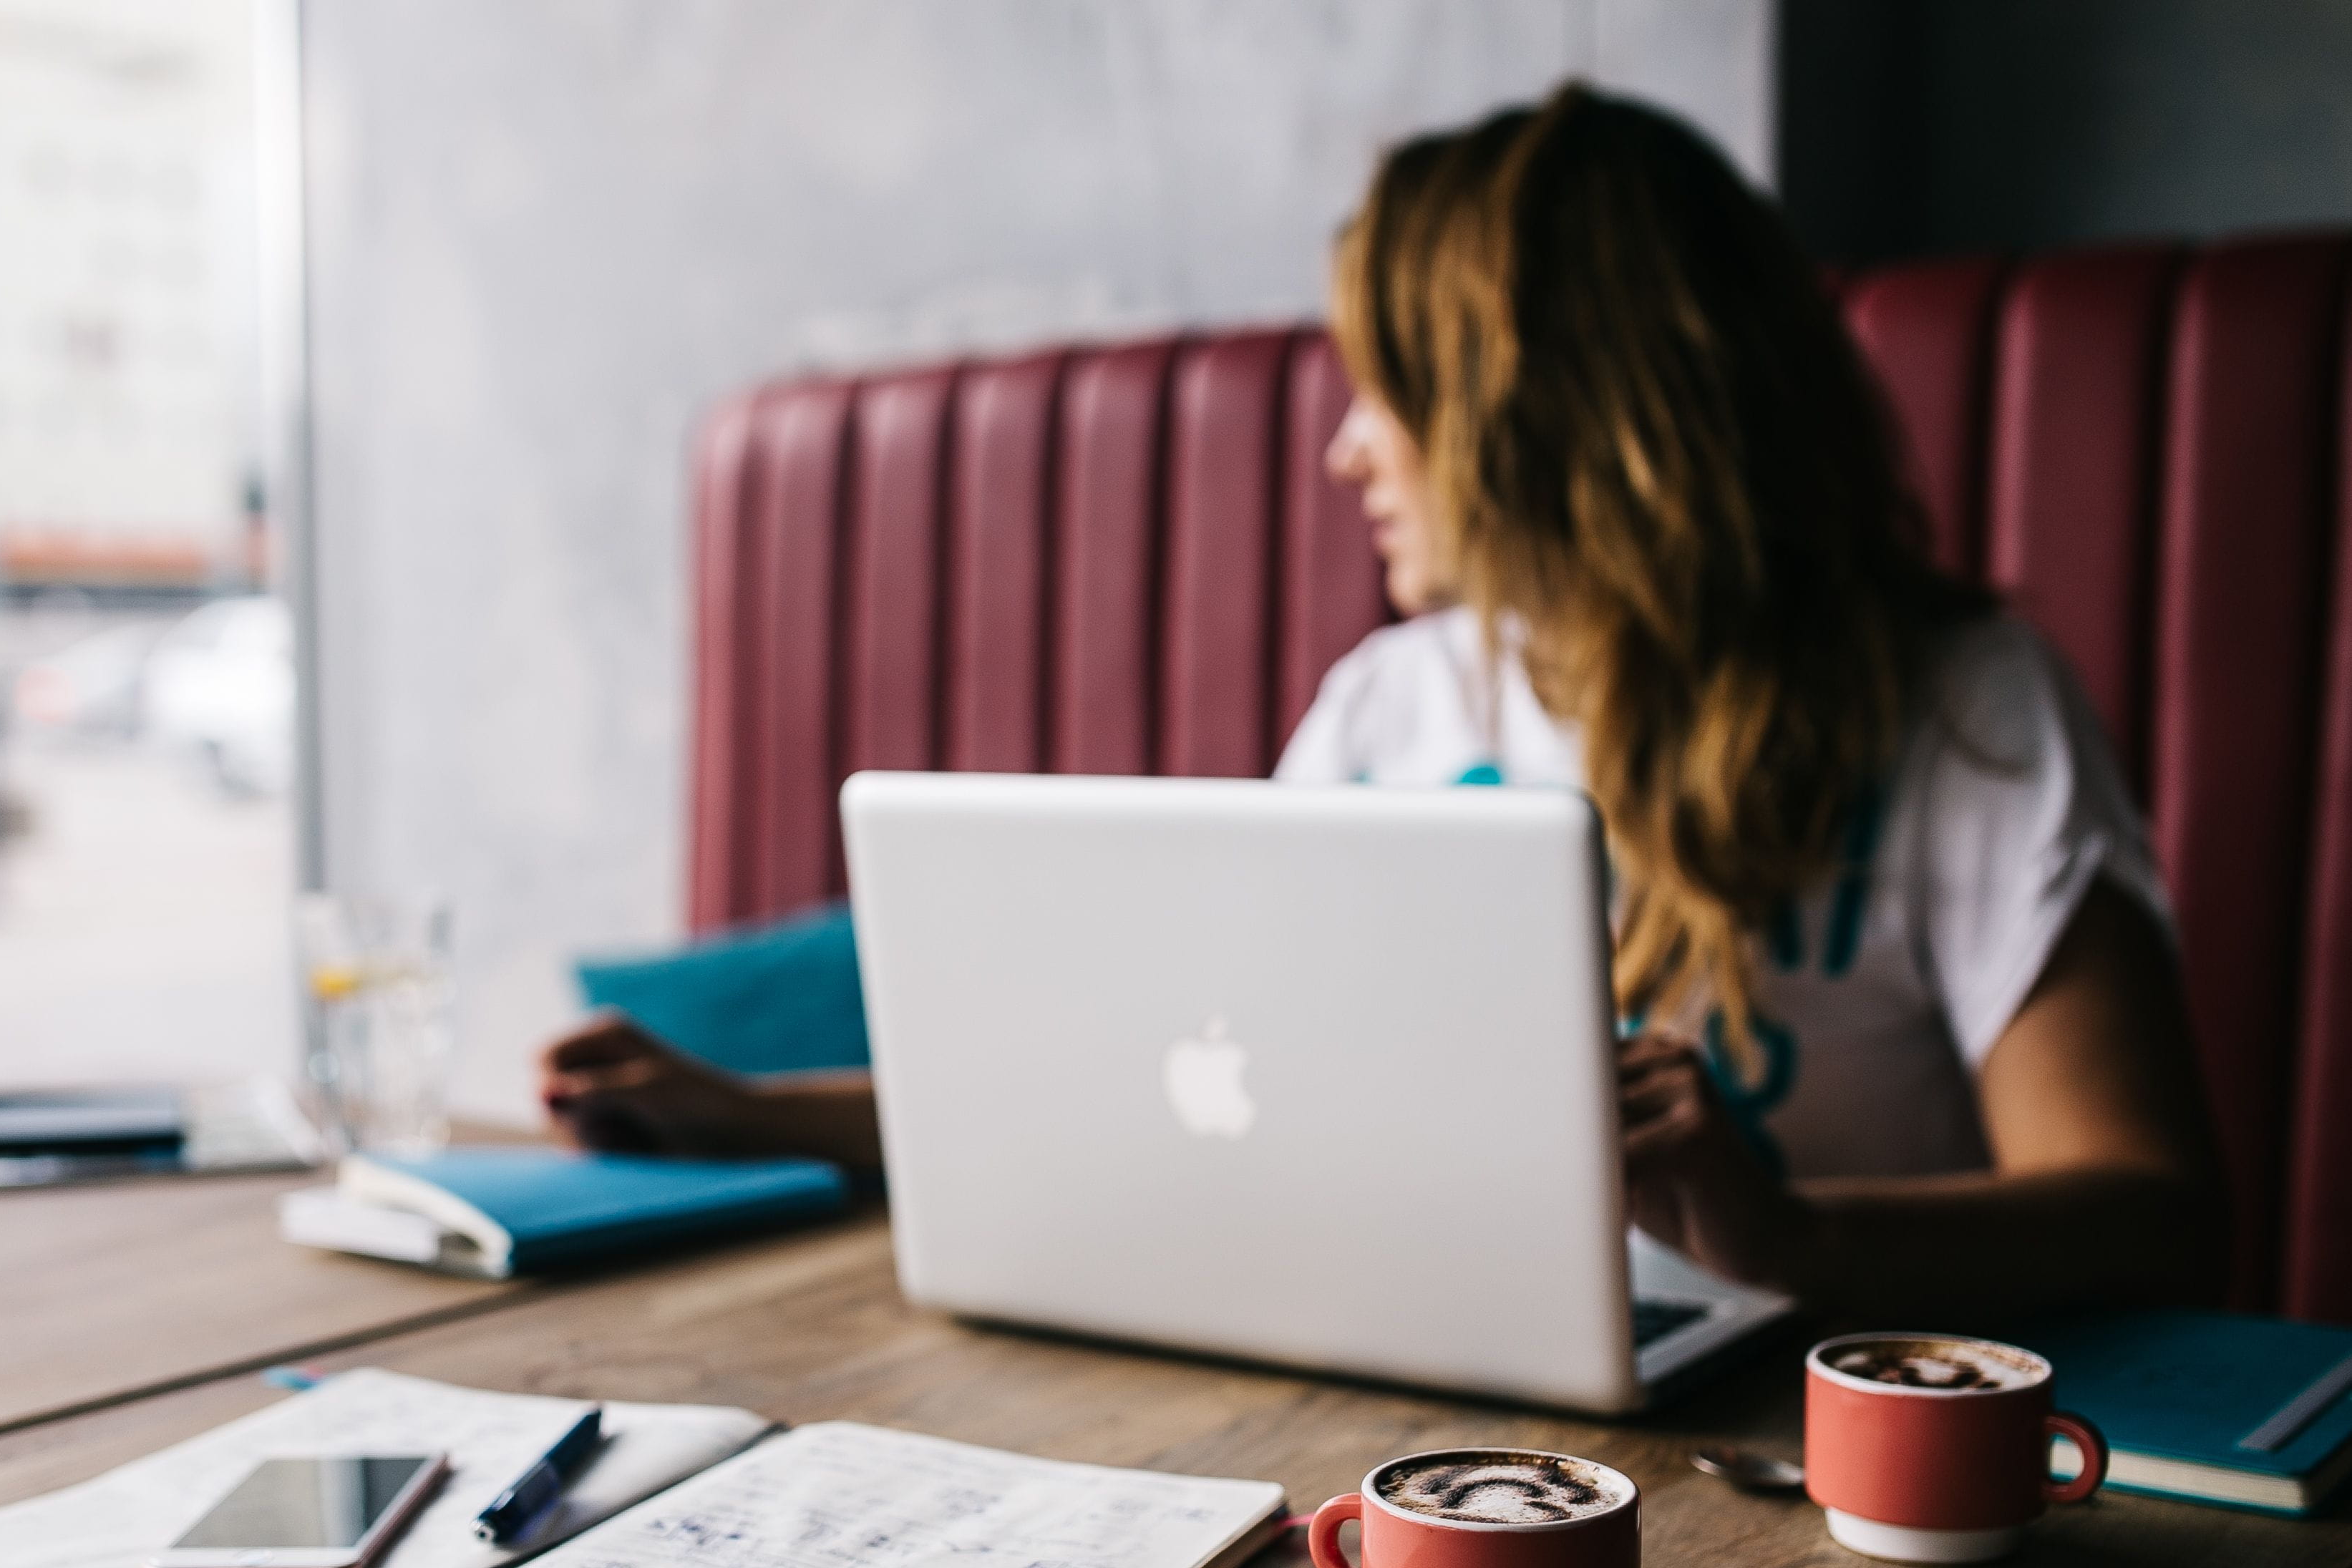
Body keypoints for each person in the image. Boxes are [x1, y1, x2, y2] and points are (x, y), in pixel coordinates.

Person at [543, 84, 2224, 1324]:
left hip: (1821, 1439)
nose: (1350, 446)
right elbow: (1161, 1083)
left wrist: (1793, 1239)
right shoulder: (1388, 708)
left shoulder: (1965, 715)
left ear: (1561, 417)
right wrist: (744, 1110)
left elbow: (2152, 1213)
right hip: (1448, 1392)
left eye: (1394, 391)